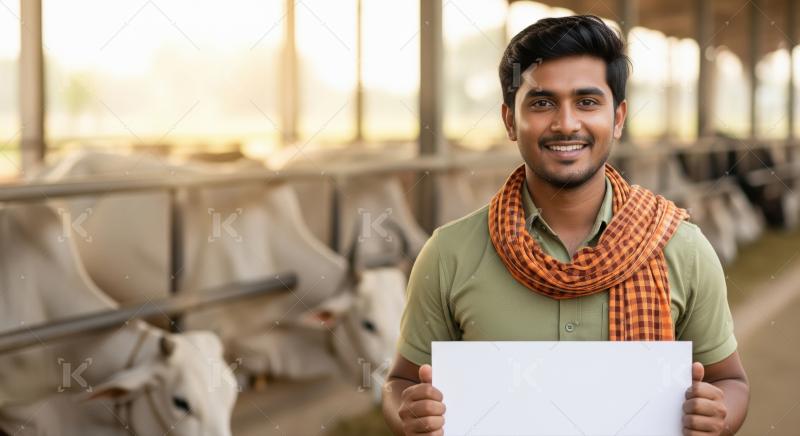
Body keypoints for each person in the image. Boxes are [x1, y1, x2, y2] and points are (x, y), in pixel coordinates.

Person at [381, 15, 749, 436]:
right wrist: (408, 414)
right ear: (508, 120)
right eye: (541, 103)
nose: (566, 124)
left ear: (619, 117)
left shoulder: (679, 247)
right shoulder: (449, 253)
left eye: (587, 102)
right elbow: (402, 382)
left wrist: (719, 415)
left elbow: (730, 381)